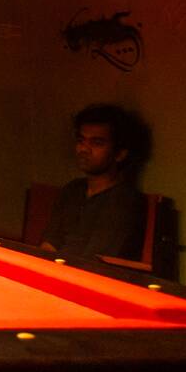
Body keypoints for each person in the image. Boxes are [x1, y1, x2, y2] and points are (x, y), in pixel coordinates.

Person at [40, 104, 149, 260]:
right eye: (81, 140)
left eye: (96, 143)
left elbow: (95, 261)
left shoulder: (125, 200)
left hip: (88, 278)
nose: (84, 149)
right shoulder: (72, 189)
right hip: (57, 272)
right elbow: (49, 245)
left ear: (120, 154)